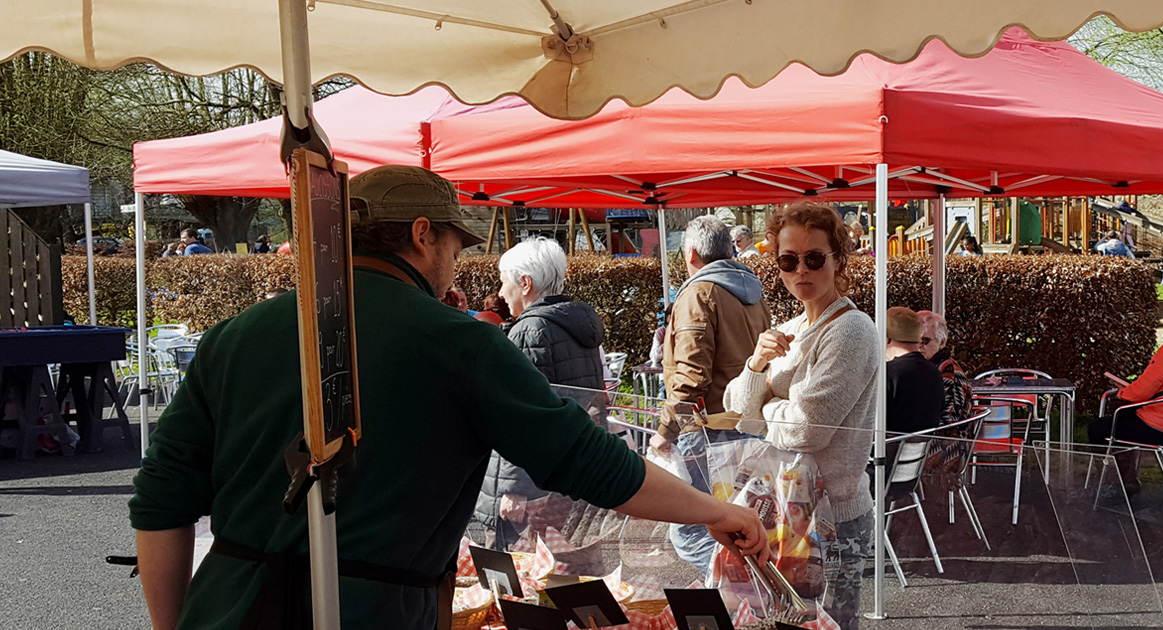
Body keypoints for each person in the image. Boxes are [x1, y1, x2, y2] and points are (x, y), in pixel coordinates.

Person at [129, 165, 767, 630]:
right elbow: (591, 462)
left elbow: (161, 497)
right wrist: (713, 513)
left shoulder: (236, 334)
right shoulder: (458, 344)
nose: (456, 266)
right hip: (373, 613)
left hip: (224, 607)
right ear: (422, 234)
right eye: (457, 247)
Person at [723, 201, 879, 630]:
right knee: (778, 621)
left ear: (838, 259)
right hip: (780, 504)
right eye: (789, 260)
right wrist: (755, 366)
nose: (801, 271)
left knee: (825, 624)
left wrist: (766, 406)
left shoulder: (852, 329)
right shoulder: (790, 329)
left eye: (814, 258)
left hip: (831, 518)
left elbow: (809, 428)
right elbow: (735, 408)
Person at [650, 215, 771, 574]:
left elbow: (690, 375)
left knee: (691, 530)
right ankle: (746, 597)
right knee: (734, 522)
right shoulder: (754, 291)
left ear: (690, 254)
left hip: (704, 429)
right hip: (745, 425)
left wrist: (665, 431)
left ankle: (733, 594)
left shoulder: (698, 293)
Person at [475, 237, 611, 550]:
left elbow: (519, 417)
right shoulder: (574, 324)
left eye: (503, 280)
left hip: (532, 487)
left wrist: (512, 489)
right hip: (567, 477)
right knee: (564, 568)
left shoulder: (530, 330)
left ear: (525, 283)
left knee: (516, 576)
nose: (500, 291)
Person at [1087, 310, 1163, 495]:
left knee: (1099, 428)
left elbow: (1140, 393)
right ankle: (1126, 481)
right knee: (1122, 423)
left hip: (1159, 429)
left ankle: (1118, 484)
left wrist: (1123, 390)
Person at [916, 310, 975, 491]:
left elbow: (946, 425)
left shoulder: (948, 375)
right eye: (914, 340)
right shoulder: (930, 368)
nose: (919, 345)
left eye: (925, 341)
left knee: (878, 454)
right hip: (937, 443)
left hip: (947, 452)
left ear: (942, 342)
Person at [885, 307, 945, 436]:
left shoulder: (888, 374)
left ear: (887, 339)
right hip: (922, 452)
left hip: (887, 451)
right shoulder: (934, 372)